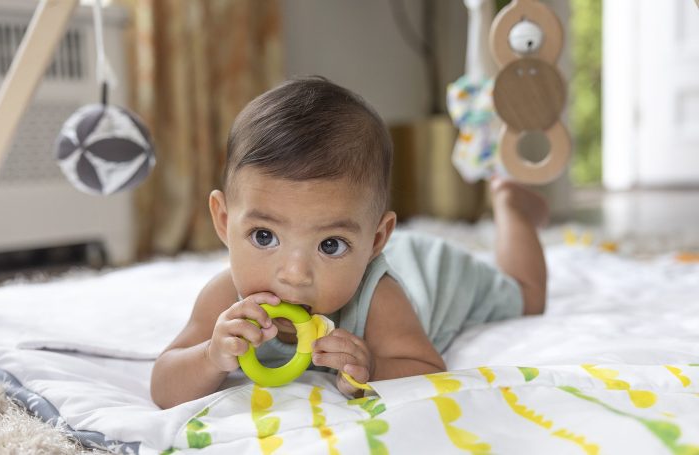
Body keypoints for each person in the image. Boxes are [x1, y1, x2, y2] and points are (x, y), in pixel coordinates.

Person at [150, 76, 548, 409]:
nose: (294, 275)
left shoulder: (378, 297)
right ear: (223, 220)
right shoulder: (225, 299)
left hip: (431, 272)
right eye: (264, 236)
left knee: (528, 299)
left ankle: (510, 205)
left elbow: (427, 367)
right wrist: (209, 358)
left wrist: (373, 366)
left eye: (330, 245)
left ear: (375, 239)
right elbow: (164, 385)